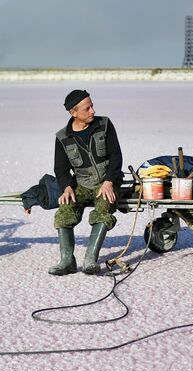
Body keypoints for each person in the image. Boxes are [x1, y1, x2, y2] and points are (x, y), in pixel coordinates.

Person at [49, 89, 124, 275]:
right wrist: (66, 187)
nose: (92, 111)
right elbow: (61, 168)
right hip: (81, 184)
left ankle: (90, 259)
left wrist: (109, 181)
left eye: (92, 106)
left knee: (103, 208)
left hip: (106, 182)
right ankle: (67, 261)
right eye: (87, 108)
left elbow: (116, 156)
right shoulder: (62, 137)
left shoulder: (104, 125)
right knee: (64, 212)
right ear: (73, 113)